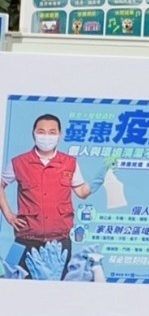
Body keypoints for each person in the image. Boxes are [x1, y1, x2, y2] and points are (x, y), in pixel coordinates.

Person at [0, 114, 92, 279]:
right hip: (26, 238)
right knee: (20, 286)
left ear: (59, 135)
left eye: (52, 132)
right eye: (41, 131)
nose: (46, 136)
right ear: (33, 133)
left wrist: (101, 180)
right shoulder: (18, 162)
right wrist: (8, 214)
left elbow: (81, 193)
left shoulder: (69, 162)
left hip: (60, 241)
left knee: (58, 289)